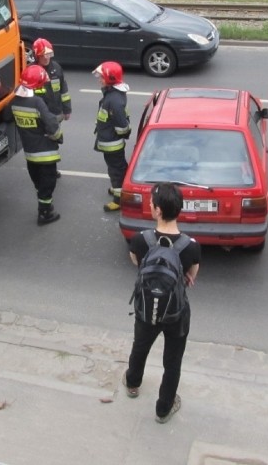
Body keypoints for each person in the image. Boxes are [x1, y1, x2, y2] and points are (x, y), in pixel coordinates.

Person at [122, 182, 201, 424]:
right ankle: (163, 409)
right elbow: (191, 277)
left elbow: (137, 263)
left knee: (140, 346)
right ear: (179, 209)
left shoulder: (140, 239)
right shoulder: (191, 247)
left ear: (157, 210)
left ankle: (133, 383)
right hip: (175, 312)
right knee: (172, 361)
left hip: (146, 308)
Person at [8, 65, 63, 225]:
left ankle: (45, 204)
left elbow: (7, 116)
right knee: (48, 183)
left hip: (30, 153)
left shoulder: (14, 102)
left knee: (39, 182)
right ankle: (45, 213)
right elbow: (52, 125)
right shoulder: (37, 102)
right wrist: (58, 137)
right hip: (46, 153)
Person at [93, 61, 130, 212]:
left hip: (112, 144)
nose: (99, 79)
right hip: (110, 141)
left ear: (110, 78)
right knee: (117, 168)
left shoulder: (113, 100)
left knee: (116, 170)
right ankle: (118, 188)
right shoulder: (112, 94)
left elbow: (122, 127)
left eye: (101, 77)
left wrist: (112, 134)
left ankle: (119, 199)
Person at [32, 38, 71, 178]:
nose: (47, 58)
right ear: (37, 55)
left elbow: (64, 90)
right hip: (40, 116)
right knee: (43, 144)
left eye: (49, 55)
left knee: (53, 143)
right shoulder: (32, 71)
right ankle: (43, 170)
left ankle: (51, 170)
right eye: (44, 55)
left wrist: (67, 109)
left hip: (55, 114)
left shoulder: (56, 68)